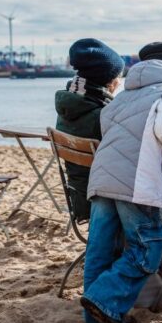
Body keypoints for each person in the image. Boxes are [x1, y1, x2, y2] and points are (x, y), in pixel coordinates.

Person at [81, 42, 162, 323]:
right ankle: (103, 300)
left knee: (99, 251)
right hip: (135, 181)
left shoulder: (122, 94)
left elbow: (106, 127)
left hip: (102, 178)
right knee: (147, 249)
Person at [55, 38, 124, 221]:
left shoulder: (68, 108)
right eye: (118, 76)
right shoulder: (103, 115)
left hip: (78, 196)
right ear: (109, 82)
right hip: (104, 200)